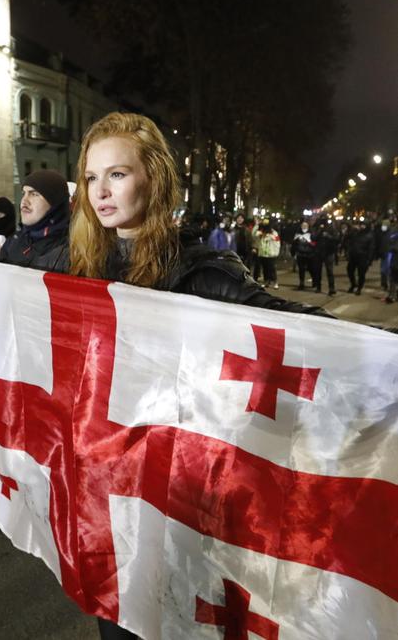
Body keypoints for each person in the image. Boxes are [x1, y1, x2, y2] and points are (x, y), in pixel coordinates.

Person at [69, 111, 332, 640]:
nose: (101, 191)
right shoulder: (74, 265)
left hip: (179, 491)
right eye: (92, 177)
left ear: (156, 178)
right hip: (103, 488)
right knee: (117, 620)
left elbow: (305, 331)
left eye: (117, 174)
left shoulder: (203, 272)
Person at [0, 170, 70, 271]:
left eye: (34, 194)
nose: (24, 201)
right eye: (24, 193)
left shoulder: (74, 253)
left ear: (54, 204)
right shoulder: (12, 242)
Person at [346, 219, 375, 295]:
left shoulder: (370, 236)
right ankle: (353, 284)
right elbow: (348, 238)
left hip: (363, 257)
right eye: (361, 224)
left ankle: (359, 288)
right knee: (350, 271)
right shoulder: (356, 233)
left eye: (364, 225)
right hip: (353, 256)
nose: (362, 226)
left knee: (361, 274)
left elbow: (371, 249)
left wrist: (369, 260)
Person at [311, 217, 338, 295]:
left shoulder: (331, 228)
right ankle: (318, 287)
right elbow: (313, 238)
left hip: (329, 252)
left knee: (330, 271)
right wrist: (319, 231)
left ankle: (331, 288)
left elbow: (336, 238)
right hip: (318, 252)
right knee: (318, 271)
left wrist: (328, 236)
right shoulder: (316, 228)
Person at [253, 219, 280, 289]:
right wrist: (256, 225)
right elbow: (254, 235)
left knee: (272, 268)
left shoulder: (274, 233)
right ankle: (266, 281)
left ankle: (275, 281)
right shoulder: (261, 232)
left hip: (271, 254)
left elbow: (277, 242)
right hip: (262, 253)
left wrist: (276, 252)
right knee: (265, 268)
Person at [291, 220, 316, 290]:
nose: (304, 226)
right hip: (300, 254)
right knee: (301, 270)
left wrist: (309, 242)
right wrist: (293, 253)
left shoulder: (312, 233)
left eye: (305, 225)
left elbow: (315, 244)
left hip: (309, 254)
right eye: (303, 225)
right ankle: (301, 283)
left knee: (311, 269)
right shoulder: (298, 234)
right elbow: (294, 245)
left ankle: (314, 281)